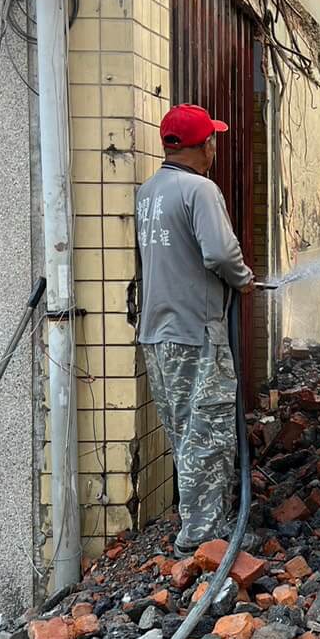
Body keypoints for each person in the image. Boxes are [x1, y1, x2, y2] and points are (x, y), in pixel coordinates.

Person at [136, 104, 254, 554]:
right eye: (213, 139)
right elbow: (221, 255)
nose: (215, 146)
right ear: (205, 145)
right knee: (208, 434)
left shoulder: (149, 191)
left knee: (184, 430)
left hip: (157, 334)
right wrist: (243, 282)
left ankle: (198, 527)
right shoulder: (200, 190)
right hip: (195, 333)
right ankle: (204, 541)